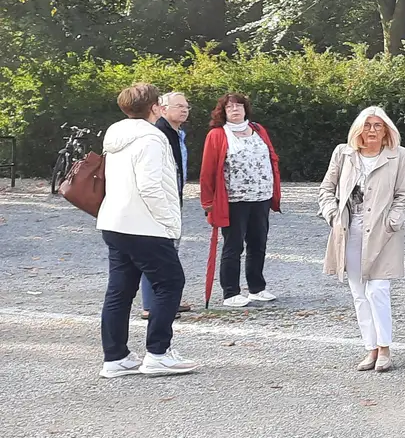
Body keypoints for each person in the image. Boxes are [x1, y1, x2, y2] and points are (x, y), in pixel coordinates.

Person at [98, 83, 198, 378]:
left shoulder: (116, 135)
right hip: (144, 225)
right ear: (155, 107)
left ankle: (115, 358)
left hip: (114, 222)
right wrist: (168, 220)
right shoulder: (152, 139)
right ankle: (158, 353)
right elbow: (151, 186)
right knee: (170, 283)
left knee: (119, 290)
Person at [317, 107, 405, 372]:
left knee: (378, 290)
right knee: (358, 292)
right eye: (367, 125)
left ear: (386, 131)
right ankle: (370, 348)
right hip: (349, 229)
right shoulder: (343, 154)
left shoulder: (399, 156)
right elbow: (326, 188)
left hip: (383, 231)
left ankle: (385, 348)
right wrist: (333, 214)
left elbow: (404, 194)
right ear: (358, 128)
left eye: (378, 126)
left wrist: (393, 221)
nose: (371, 130)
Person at [199, 92, 282, 308]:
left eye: (239, 106)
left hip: (261, 196)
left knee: (258, 243)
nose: (235, 110)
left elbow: (271, 158)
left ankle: (257, 288)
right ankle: (231, 292)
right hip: (234, 200)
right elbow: (207, 171)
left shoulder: (258, 130)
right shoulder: (217, 135)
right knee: (234, 245)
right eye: (229, 107)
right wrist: (207, 202)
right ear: (223, 112)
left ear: (245, 109)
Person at [140, 91, 192, 320]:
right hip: (160, 201)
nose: (184, 110)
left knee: (170, 250)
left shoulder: (176, 133)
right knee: (157, 252)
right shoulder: (159, 133)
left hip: (173, 198)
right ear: (162, 109)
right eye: (178, 106)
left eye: (186, 107)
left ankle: (167, 300)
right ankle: (152, 305)